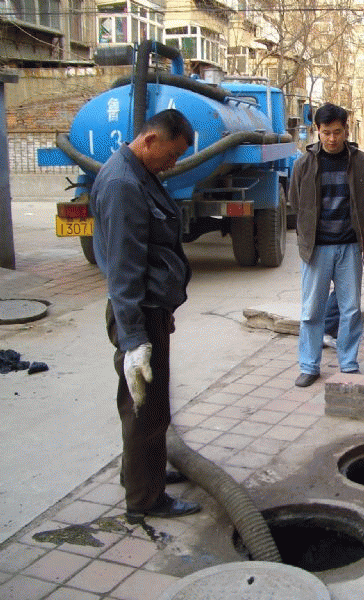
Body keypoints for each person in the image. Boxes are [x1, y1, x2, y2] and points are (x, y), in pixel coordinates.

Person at [91, 109, 201, 518]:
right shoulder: (123, 184)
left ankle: (142, 473)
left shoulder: (138, 173)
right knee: (146, 410)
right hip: (138, 314)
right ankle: (145, 500)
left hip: (148, 310)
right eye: (170, 155)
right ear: (150, 140)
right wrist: (135, 340)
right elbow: (123, 271)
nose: (172, 164)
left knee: (146, 406)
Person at [289, 102, 364, 387]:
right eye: (326, 133)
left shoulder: (362, 162)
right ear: (317, 131)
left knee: (351, 309)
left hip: (350, 245)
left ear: (346, 129)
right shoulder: (304, 164)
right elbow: (295, 201)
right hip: (316, 248)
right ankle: (309, 365)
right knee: (312, 310)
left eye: (338, 132)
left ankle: (349, 363)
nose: (332, 139)